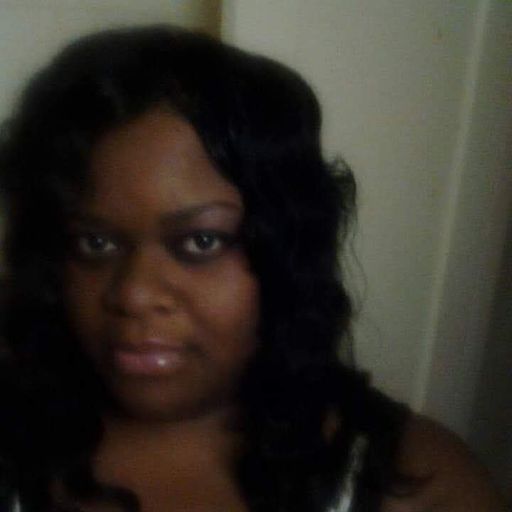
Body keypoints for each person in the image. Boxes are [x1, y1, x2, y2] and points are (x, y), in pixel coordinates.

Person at [0, 25, 505, 512]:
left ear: (286, 251)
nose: (134, 294)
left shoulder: (416, 484)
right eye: (95, 242)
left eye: (201, 241)